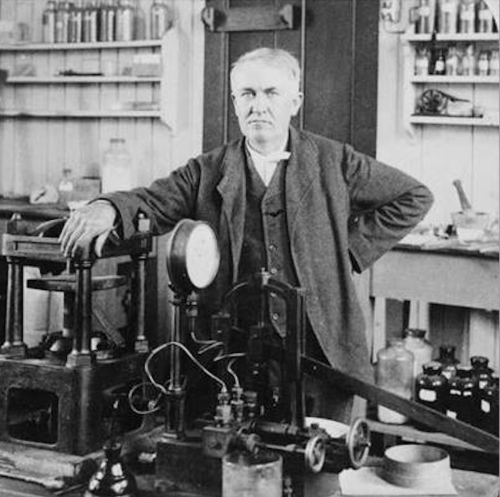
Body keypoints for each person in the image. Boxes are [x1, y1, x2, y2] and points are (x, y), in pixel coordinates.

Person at [60, 47, 433, 422]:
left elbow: (414, 196)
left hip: (321, 347)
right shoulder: (207, 170)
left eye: (271, 93)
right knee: (243, 459)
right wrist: (108, 206)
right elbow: (153, 202)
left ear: (295, 102)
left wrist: (345, 251)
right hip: (236, 354)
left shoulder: (334, 161)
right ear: (235, 103)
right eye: (248, 94)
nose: (259, 106)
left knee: (323, 460)